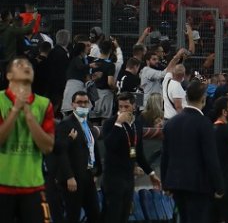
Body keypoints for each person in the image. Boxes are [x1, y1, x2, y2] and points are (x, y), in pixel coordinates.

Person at [0, 56, 56, 223]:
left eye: (29, 65)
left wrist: (29, 116)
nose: (26, 66)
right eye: (20, 64)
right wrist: (16, 110)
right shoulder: (0, 100)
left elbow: (48, 147)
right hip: (2, 185)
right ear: (9, 75)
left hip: (34, 186)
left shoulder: (44, 104)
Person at [161, 80, 225, 223]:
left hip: (176, 183)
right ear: (204, 98)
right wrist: (219, 185)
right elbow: (210, 158)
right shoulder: (205, 124)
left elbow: (165, 155)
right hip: (199, 184)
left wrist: (165, 182)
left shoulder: (171, 123)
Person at [101, 92, 161, 223]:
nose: (123, 110)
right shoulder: (110, 124)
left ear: (134, 106)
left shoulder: (137, 124)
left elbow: (138, 152)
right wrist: (118, 123)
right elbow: (110, 145)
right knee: (112, 216)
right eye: (120, 106)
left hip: (128, 178)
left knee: (124, 215)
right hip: (113, 178)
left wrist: (150, 173)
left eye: (126, 106)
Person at [54, 91, 102, 223]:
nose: (82, 105)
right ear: (72, 104)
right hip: (73, 178)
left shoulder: (88, 124)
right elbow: (61, 152)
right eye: (79, 102)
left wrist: (97, 171)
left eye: (85, 102)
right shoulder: (66, 124)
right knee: (72, 216)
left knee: (95, 214)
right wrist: (69, 176)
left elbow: (92, 149)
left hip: (87, 175)